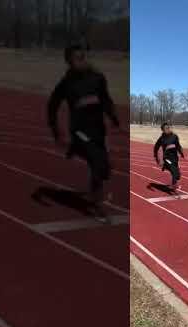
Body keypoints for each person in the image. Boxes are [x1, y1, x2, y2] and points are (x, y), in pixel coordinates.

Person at [47, 44, 120, 223]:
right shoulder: (67, 83)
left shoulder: (98, 78)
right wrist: (57, 131)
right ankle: (97, 205)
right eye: (76, 59)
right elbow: (52, 106)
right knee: (97, 161)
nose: (81, 61)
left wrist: (114, 118)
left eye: (83, 57)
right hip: (80, 129)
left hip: (98, 129)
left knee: (104, 168)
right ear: (69, 62)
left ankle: (76, 150)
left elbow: (106, 100)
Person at [154, 123, 185, 191]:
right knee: (174, 171)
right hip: (167, 157)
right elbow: (156, 147)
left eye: (168, 128)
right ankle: (173, 185)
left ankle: (174, 184)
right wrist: (156, 157)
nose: (168, 129)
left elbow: (178, 145)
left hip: (174, 157)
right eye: (166, 128)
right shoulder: (162, 138)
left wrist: (181, 153)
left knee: (177, 174)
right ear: (163, 130)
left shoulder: (175, 136)